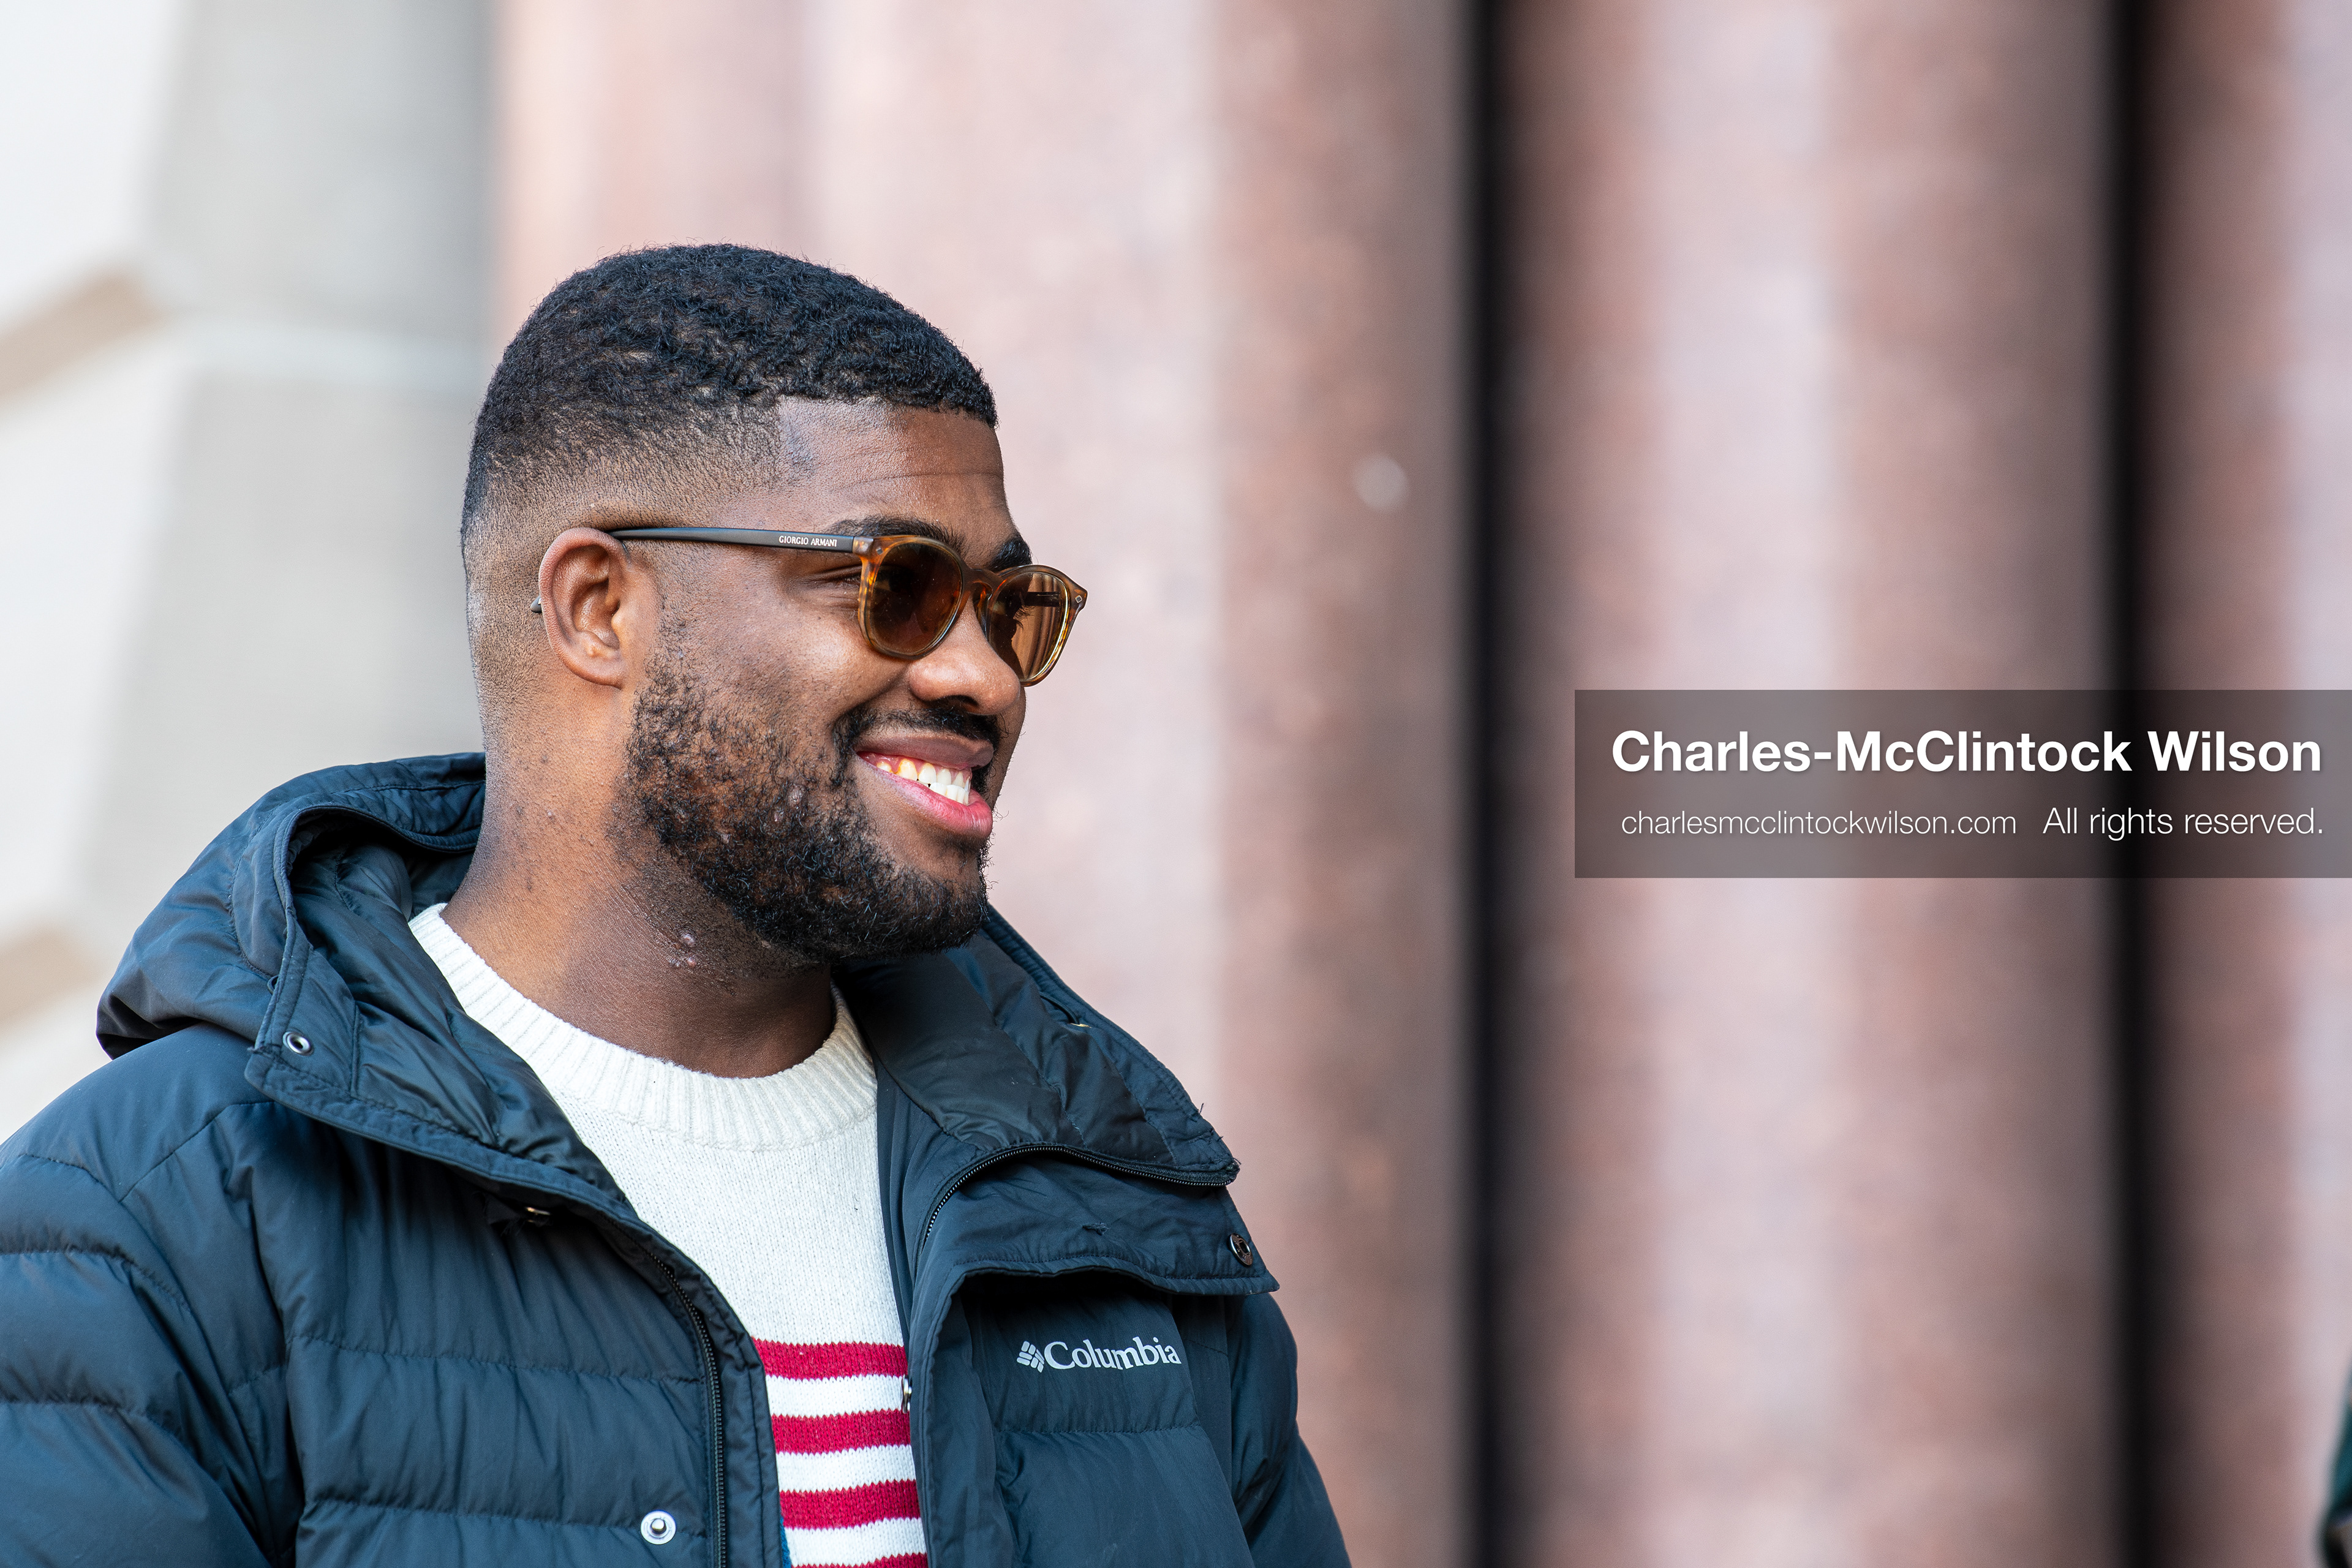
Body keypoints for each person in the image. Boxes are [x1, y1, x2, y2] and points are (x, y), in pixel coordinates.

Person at [0, 246, 1347, 1567]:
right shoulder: (145, 1222)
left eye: (1009, 609)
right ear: (600, 608)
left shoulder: (1119, 1208)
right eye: (898, 587)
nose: (983, 676)